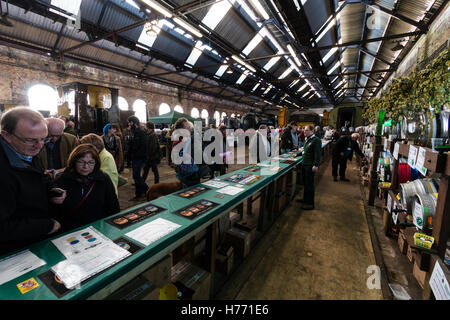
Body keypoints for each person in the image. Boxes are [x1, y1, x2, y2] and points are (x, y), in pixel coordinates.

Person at [0, 107, 65, 255]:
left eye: (43, 139)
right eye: (31, 140)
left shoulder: (24, 149)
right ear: (6, 136)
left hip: (34, 242)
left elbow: (38, 176)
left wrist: (51, 190)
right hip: (12, 252)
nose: (40, 146)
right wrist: (45, 226)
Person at [53, 144, 120, 232]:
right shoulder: (62, 179)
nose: (86, 166)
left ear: (96, 163)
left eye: (90, 162)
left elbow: (113, 206)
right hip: (69, 231)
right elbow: (55, 211)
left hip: (98, 229)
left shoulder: (103, 179)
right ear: (74, 161)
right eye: (81, 162)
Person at [298, 125, 322, 210]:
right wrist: (298, 154)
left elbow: (318, 153)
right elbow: (305, 150)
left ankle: (310, 203)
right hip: (304, 164)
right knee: (305, 183)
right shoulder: (307, 139)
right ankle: (305, 199)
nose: (304, 132)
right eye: (304, 130)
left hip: (310, 165)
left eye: (307, 130)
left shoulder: (316, 140)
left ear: (312, 131)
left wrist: (316, 164)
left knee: (310, 184)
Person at [127, 116, 149, 201]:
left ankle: (148, 190)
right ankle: (138, 194)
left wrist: (139, 155)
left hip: (138, 157)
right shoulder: (133, 132)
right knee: (135, 176)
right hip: (135, 157)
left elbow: (143, 146)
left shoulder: (140, 132)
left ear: (134, 122)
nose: (129, 124)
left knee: (136, 176)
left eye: (130, 122)